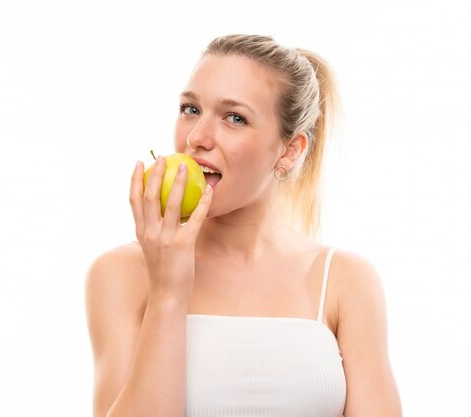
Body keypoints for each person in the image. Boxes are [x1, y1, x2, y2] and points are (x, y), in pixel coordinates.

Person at [85, 34, 402, 417]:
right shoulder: (122, 273)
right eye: (190, 109)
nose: (197, 138)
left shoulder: (344, 280)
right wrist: (168, 291)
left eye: (234, 117)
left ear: (290, 151)